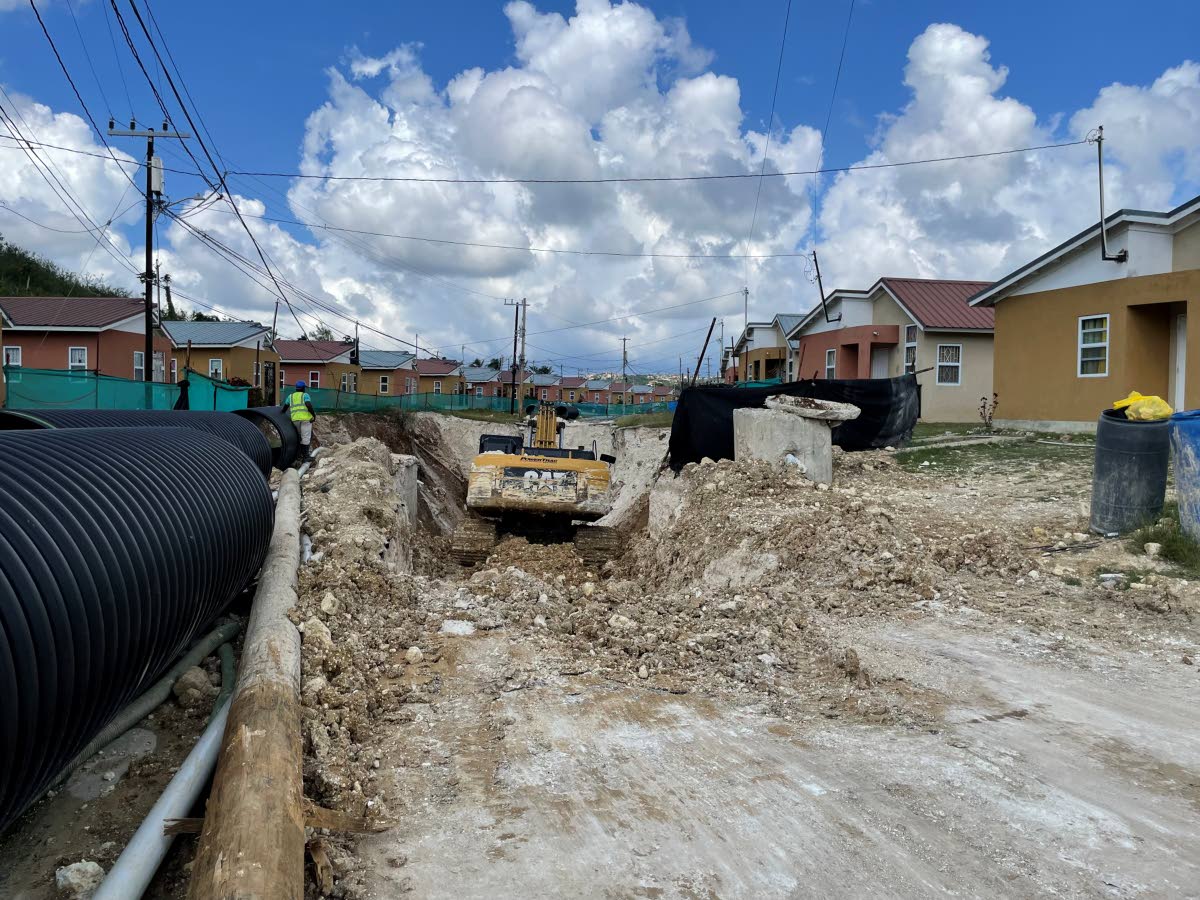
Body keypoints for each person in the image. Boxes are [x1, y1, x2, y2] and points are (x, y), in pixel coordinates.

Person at [282, 379, 317, 465]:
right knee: (305, 438)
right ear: (303, 388)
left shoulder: (290, 396)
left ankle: (297, 457)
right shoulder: (305, 395)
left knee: (297, 437)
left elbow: (285, 407)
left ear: (296, 388)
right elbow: (308, 404)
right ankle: (305, 457)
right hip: (305, 420)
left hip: (295, 420)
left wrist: (281, 413)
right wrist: (313, 415)